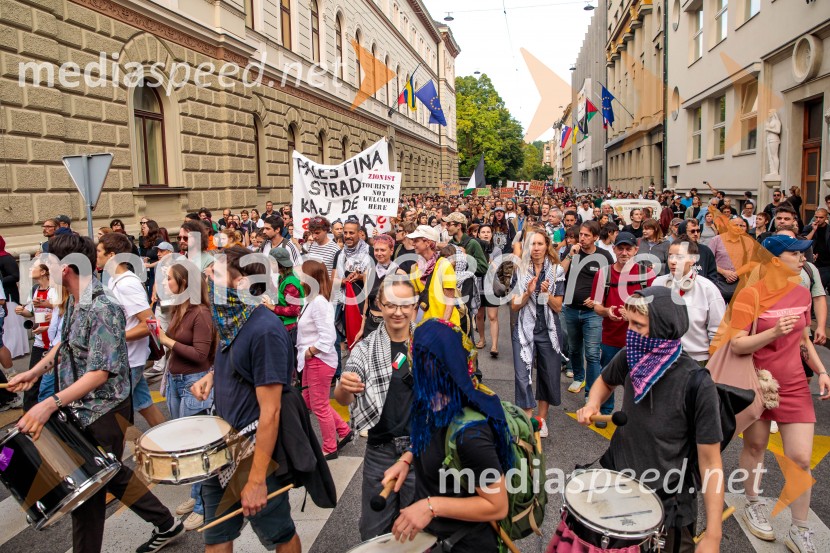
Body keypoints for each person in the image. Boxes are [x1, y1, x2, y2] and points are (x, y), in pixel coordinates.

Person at [8, 234, 184, 553]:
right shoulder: (78, 300)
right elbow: (66, 343)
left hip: (106, 410)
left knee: (88, 497)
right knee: (112, 474)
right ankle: (166, 523)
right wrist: (34, 372)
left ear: (66, 269)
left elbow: (99, 372)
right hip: (82, 408)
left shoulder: (103, 306)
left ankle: (163, 524)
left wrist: (49, 403)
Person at [577, 287, 724, 553]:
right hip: (620, 481)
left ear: (664, 327)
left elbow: (711, 463)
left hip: (668, 502)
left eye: (638, 325)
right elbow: (605, 381)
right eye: (629, 322)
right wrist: (592, 403)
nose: (629, 331)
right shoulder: (631, 356)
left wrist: (713, 534)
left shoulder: (697, 383)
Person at [190, 246, 301, 553]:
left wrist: (256, 479)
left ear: (240, 282)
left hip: (252, 452)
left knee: (281, 534)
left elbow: (271, 411)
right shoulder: (232, 319)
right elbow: (236, 358)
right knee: (215, 536)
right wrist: (213, 375)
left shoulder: (265, 330)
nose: (208, 277)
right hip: (221, 447)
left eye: (216, 273)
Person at [731, 236, 830, 553]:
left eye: (804, 253)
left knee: (801, 458)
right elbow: (737, 344)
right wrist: (772, 332)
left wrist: (822, 371)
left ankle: (800, 529)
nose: (804, 258)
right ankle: (753, 502)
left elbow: (803, 339)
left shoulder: (802, 293)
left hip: (795, 384)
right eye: (796, 253)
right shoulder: (750, 296)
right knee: (756, 445)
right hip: (759, 383)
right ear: (774, 260)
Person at [384, 319, 510, 552]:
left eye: (417, 357)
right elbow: (436, 444)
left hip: (464, 545)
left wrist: (430, 507)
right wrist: (407, 458)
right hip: (434, 538)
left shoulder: (471, 435)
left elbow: (497, 505)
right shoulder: (435, 404)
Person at [334, 279, 418, 540]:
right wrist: (344, 386)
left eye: (405, 305)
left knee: (417, 530)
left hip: (420, 450)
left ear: (414, 306)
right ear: (380, 306)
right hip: (380, 450)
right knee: (373, 531)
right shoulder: (366, 347)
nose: (398, 311)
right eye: (391, 304)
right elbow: (343, 398)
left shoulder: (427, 344)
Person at [156, 262, 216, 531]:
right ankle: (196, 496)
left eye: (169, 279)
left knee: (196, 448)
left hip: (193, 383)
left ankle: (205, 506)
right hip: (176, 381)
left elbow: (201, 355)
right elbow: (172, 346)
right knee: (185, 446)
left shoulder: (201, 312)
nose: (166, 283)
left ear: (183, 283)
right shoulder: (181, 310)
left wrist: (167, 341)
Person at [98, 232, 167, 428]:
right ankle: (168, 446)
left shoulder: (127, 284)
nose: (96, 255)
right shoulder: (114, 280)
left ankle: (117, 454)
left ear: (111, 255)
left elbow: (150, 324)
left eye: (99, 251)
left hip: (129, 359)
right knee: (146, 406)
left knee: (114, 412)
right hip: (125, 357)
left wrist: (117, 337)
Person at [587, 232, 655, 427]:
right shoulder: (604, 273)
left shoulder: (647, 274)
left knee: (638, 379)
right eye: (620, 248)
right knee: (608, 375)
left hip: (639, 339)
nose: (624, 252)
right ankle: (605, 412)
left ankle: (635, 416)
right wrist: (607, 311)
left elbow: (654, 308)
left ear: (635, 250)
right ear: (614, 249)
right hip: (611, 336)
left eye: (628, 248)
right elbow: (596, 305)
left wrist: (634, 316)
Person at [510, 230, 565, 437]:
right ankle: (527, 418)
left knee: (548, 374)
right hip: (524, 327)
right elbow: (514, 306)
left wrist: (545, 294)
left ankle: (541, 419)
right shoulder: (521, 270)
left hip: (548, 329)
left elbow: (558, 307)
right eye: (532, 244)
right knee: (522, 375)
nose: (536, 248)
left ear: (547, 245)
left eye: (540, 244)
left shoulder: (557, 271)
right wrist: (528, 292)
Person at [297, 260, 352, 460]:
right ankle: (343, 430)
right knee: (310, 400)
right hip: (311, 360)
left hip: (319, 360)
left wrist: (311, 351)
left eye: (302, 274)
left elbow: (328, 337)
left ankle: (330, 447)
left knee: (318, 404)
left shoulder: (319, 302)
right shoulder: (312, 300)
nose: (299, 278)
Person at [561, 221, 614, 393]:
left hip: (592, 313)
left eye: (586, 235)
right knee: (574, 348)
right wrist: (570, 255)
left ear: (596, 237)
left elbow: (610, 283)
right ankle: (578, 377)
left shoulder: (604, 256)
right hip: (570, 308)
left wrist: (598, 299)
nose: (582, 238)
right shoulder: (572, 253)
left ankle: (592, 390)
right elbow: (559, 273)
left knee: (591, 353)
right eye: (581, 235)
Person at [653, 240, 725, 365]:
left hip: (697, 360)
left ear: (692, 260)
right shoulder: (657, 284)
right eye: (670, 256)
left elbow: (718, 332)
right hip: (662, 358)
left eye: (679, 257)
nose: (672, 261)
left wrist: (713, 366)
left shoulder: (708, 289)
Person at [14, 263, 57, 411]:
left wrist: (48, 305)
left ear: (44, 271)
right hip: (39, 342)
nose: (30, 269)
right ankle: (28, 413)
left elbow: (62, 309)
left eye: (34, 268)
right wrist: (22, 311)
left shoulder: (56, 289)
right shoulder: (34, 290)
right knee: (33, 381)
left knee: (53, 383)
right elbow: (31, 313)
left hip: (55, 342)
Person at [408, 225, 460, 326]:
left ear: (427, 242)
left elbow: (450, 301)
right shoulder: (414, 268)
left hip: (446, 325)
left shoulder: (444, 265)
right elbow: (414, 304)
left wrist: (442, 326)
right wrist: (412, 328)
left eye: (416, 240)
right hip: (425, 326)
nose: (413, 244)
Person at [355, 234, 403, 342]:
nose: (379, 253)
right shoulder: (369, 272)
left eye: (383, 250)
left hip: (390, 326)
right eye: (376, 250)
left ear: (391, 251)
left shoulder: (399, 274)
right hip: (371, 325)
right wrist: (362, 329)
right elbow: (366, 304)